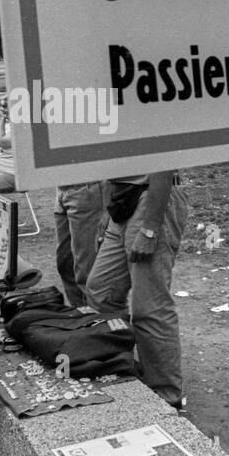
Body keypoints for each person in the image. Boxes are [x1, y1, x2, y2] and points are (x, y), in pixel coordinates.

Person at [86, 172, 190, 408]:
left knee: (149, 306)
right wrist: (107, 211)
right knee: (101, 290)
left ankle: (166, 399)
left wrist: (150, 228)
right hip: (122, 200)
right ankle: (124, 372)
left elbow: (163, 159)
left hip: (152, 198)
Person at [54, 181, 105, 308]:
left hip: (86, 187)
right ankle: (81, 315)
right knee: (66, 264)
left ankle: (96, 319)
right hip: (63, 185)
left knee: (86, 269)